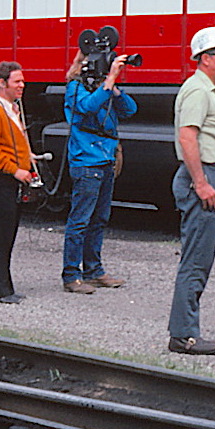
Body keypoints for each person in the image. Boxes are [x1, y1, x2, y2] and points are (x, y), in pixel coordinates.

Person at [167, 25, 215, 355]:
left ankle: (184, 330)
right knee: (196, 259)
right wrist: (202, 183)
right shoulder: (198, 90)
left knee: (199, 257)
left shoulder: (207, 90)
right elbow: (187, 137)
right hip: (204, 177)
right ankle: (184, 335)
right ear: (205, 58)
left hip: (208, 176)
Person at [61, 48, 137, 293]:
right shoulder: (75, 88)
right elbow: (89, 107)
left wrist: (113, 87)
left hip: (105, 162)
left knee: (99, 220)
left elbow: (130, 109)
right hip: (86, 162)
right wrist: (110, 80)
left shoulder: (103, 88)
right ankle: (71, 275)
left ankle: (93, 271)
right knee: (80, 221)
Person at [0, 60, 38, 303]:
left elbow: (10, 145)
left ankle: (4, 288)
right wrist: (16, 170)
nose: (22, 85)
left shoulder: (12, 109)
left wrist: (27, 158)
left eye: (22, 81)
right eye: (17, 81)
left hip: (7, 184)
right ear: (2, 83)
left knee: (7, 235)